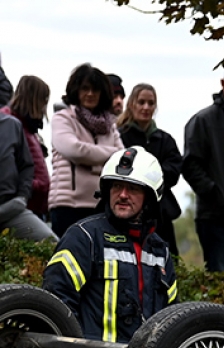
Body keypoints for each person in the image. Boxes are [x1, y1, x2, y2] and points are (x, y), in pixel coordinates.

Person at [43, 147, 177, 343]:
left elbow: (173, 318)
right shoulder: (84, 237)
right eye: (116, 186)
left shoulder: (160, 251)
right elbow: (57, 302)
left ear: (149, 196)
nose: (122, 195)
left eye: (132, 188)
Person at [182, 63, 224, 273]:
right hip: (215, 217)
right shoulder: (203, 121)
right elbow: (191, 164)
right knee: (220, 275)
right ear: (223, 84)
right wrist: (214, 193)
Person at [48, 63, 124, 236]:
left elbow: (123, 157)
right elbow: (75, 150)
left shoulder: (109, 125)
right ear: (76, 90)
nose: (90, 94)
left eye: (95, 89)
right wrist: (107, 155)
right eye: (85, 88)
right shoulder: (63, 118)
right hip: (68, 206)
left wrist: (93, 159)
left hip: (101, 206)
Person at [117, 83, 183, 258]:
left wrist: (145, 173)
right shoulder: (119, 136)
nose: (146, 107)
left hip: (161, 213)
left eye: (151, 103)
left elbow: (174, 171)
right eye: (141, 102)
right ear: (132, 104)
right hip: (127, 211)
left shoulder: (165, 140)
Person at [0, 98, 55, 243]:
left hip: (10, 208)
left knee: (54, 246)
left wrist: (22, 197)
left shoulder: (11, 125)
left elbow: (26, 166)